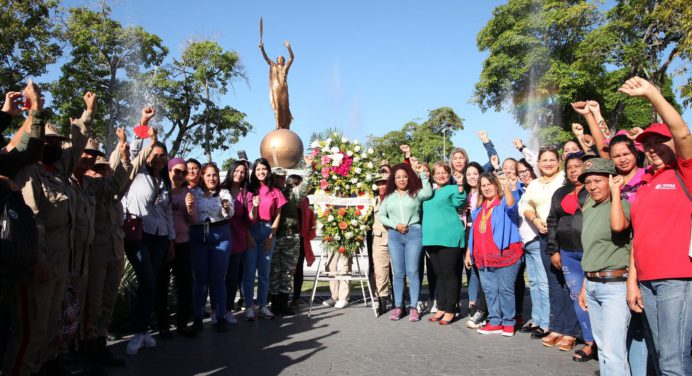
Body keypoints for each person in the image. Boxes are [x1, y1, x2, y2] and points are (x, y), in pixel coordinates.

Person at [7, 91, 92, 375]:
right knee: (33, 329)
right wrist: (39, 259)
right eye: (49, 141)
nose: (55, 146)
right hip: (40, 265)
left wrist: (87, 112)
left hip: (61, 264)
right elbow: (31, 219)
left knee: (53, 325)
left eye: (58, 142)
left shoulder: (59, 172)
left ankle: (47, 367)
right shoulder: (29, 174)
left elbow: (78, 144)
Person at [621, 77, 692, 375]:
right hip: (647, 280)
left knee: (675, 360)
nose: (652, 148)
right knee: (661, 356)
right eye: (647, 144)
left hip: (677, 277)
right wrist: (632, 281)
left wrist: (652, 94)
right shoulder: (646, 182)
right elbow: (639, 236)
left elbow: (684, 134)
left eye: (658, 142)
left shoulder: (684, 172)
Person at [83, 126, 146, 372]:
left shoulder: (112, 193)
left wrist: (137, 135)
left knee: (107, 301)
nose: (100, 172)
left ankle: (100, 345)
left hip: (114, 252)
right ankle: (89, 348)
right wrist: (122, 151)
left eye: (104, 168)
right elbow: (120, 176)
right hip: (96, 254)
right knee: (94, 303)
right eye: (96, 169)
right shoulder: (89, 187)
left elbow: (127, 172)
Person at [122, 107, 176, 355]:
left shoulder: (165, 182)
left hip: (160, 237)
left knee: (150, 285)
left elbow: (167, 213)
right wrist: (143, 123)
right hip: (137, 234)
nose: (159, 158)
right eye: (155, 154)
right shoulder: (138, 172)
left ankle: (143, 332)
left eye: (163, 155)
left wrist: (171, 240)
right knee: (148, 279)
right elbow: (134, 148)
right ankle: (137, 333)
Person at [577, 158, 632, 375]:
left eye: (598, 181)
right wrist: (585, 283)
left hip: (615, 286)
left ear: (611, 180)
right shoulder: (589, 205)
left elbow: (618, 226)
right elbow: (591, 249)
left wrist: (616, 192)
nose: (592, 187)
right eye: (588, 182)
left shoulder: (621, 205)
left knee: (613, 351)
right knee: (603, 348)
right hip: (592, 283)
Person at [519, 146, 575, 342]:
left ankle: (571, 330)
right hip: (544, 236)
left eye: (552, 159)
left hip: (566, 235)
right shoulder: (534, 183)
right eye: (544, 160)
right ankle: (557, 326)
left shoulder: (564, 179)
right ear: (539, 163)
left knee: (570, 283)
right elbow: (525, 205)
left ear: (559, 161)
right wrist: (534, 219)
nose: (548, 163)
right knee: (553, 283)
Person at [546, 153, 594, 358]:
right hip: (567, 252)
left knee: (595, 297)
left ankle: (603, 341)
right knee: (577, 297)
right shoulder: (560, 192)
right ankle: (590, 342)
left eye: (578, 166)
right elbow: (552, 222)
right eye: (570, 167)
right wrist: (554, 250)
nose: (574, 170)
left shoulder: (593, 188)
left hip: (591, 252)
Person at [467, 171, 522, 336]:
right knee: (490, 290)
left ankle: (509, 323)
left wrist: (505, 186)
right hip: (483, 257)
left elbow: (512, 206)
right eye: (482, 185)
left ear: (496, 185)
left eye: (489, 184)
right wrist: (469, 253)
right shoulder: (479, 210)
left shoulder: (504, 202)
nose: (486, 188)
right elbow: (473, 234)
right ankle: (495, 321)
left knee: (505, 290)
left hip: (505, 255)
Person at [378, 163, 433, 321]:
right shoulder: (388, 197)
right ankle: (398, 307)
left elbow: (428, 192)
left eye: (404, 176)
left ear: (409, 177)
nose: (401, 179)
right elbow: (382, 216)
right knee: (398, 273)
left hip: (414, 233)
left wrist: (422, 174)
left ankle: (414, 307)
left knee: (413, 272)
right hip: (395, 235)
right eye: (398, 177)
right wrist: (395, 225)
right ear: (393, 180)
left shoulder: (415, 193)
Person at [188, 163, 233, 333]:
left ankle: (220, 316)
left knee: (218, 279)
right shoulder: (193, 193)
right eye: (208, 175)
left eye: (215, 175)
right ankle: (198, 318)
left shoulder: (224, 193)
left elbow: (230, 213)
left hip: (221, 237)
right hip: (199, 237)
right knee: (200, 280)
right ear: (202, 177)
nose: (212, 178)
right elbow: (189, 214)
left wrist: (226, 208)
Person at [423, 162, 466, 325]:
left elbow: (460, 203)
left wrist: (460, 184)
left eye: (444, 172)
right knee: (439, 275)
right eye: (437, 173)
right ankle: (441, 306)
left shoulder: (454, 189)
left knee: (449, 274)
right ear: (433, 176)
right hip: (431, 238)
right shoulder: (429, 193)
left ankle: (451, 310)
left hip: (449, 237)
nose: (441, 175)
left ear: (449, 175)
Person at [156, 157, 196, 338]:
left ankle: (182, 324)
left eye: (184, 172)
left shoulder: (189, 192)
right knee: (161, 285)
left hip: (183, 244)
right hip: (163, 242)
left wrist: (189, 207)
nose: (180, 175)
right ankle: (163, 326)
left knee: (184, 285)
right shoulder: (162, 189)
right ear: (170, 171)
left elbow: (193, 220)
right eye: (177, 171)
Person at [243, 158, 286, 320]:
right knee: (248, 272)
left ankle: (262, 305)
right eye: (258, 169)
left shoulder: (275, 191)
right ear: (254, 172)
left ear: (268, 171)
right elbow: (245, 216)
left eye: (264, 169)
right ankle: (248, 306)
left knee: (264, 273)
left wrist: (271, 234)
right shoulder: (249, 190)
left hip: (268, 231)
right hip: (252, 231)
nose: (261, 172)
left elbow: (278, 214)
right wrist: (248, 234)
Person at [269, 160, 312, 315]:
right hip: (273, 237)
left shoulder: (292, 193)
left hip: (290, 237)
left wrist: (308, 166)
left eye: (282, 178)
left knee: (287, 272)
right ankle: (274, 304)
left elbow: (306, 184)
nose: (280, 180)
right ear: (272, 178)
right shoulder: (268, 192)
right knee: (274, 272)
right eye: (277, 177)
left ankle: (284, 304)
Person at [222, 161, 252, 323]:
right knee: (219, 276)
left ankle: (228, 310)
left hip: (238, 237)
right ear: (231, 171)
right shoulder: (220, 189)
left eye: (243, 172)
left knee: (233, 277)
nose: (239, 174)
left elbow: (249, 219)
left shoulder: (246, 193)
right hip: (220, 236)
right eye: (237, 171)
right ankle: (216, 309)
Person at [462, 162, 489, 329]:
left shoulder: (484, 191)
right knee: (472, 271)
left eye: (475, 173)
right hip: (468, 233)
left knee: (483, 274)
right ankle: (475, 306)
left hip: (481, 234)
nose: (472, 176)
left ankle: (483, 310)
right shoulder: (465, 192)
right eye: (468, 174)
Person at [259, 39, 294, 130]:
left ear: (283, 60)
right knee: (277, 105)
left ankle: (286, 124)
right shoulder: (273, 65)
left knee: (285, 106)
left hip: (283, 89)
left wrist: (289, 48)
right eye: (278, 58)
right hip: (275, 88)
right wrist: (262, 49)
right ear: (276, 60)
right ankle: (278, 124)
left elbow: (291, 58)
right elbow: (266, 58)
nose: (280, 59)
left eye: (281, 58)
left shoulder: (285, 67)